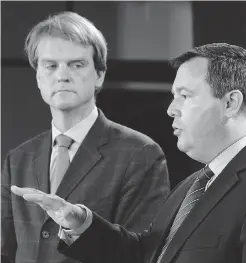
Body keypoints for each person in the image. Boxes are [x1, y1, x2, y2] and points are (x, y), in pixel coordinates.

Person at [11, 43, 246, 263]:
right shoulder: (194, 184)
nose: (171, 109)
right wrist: (80, 222)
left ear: (231, 103)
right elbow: (145, 255)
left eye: (184, 96)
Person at [1, 11, 170, 263]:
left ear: (99, 74)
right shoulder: (18, 158)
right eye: (50, 66)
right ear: (38, 77)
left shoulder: (141, 153)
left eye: (76, 64)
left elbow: (143, 253)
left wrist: (79, 224)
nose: (62, 75)